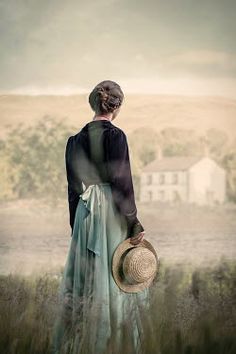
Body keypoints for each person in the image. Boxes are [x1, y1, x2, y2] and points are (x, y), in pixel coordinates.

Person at [51, 80, 150, 354]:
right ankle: (115, 344)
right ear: (116, 108)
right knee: (115, 274)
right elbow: (121, 183)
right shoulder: (116, 136)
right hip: (109, 212)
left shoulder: (74, 141)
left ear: (93, 103)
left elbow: (73, 189)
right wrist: (133, 222)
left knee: (87, 279)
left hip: (86, 212)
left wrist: (77, 226)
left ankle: (81, 343)